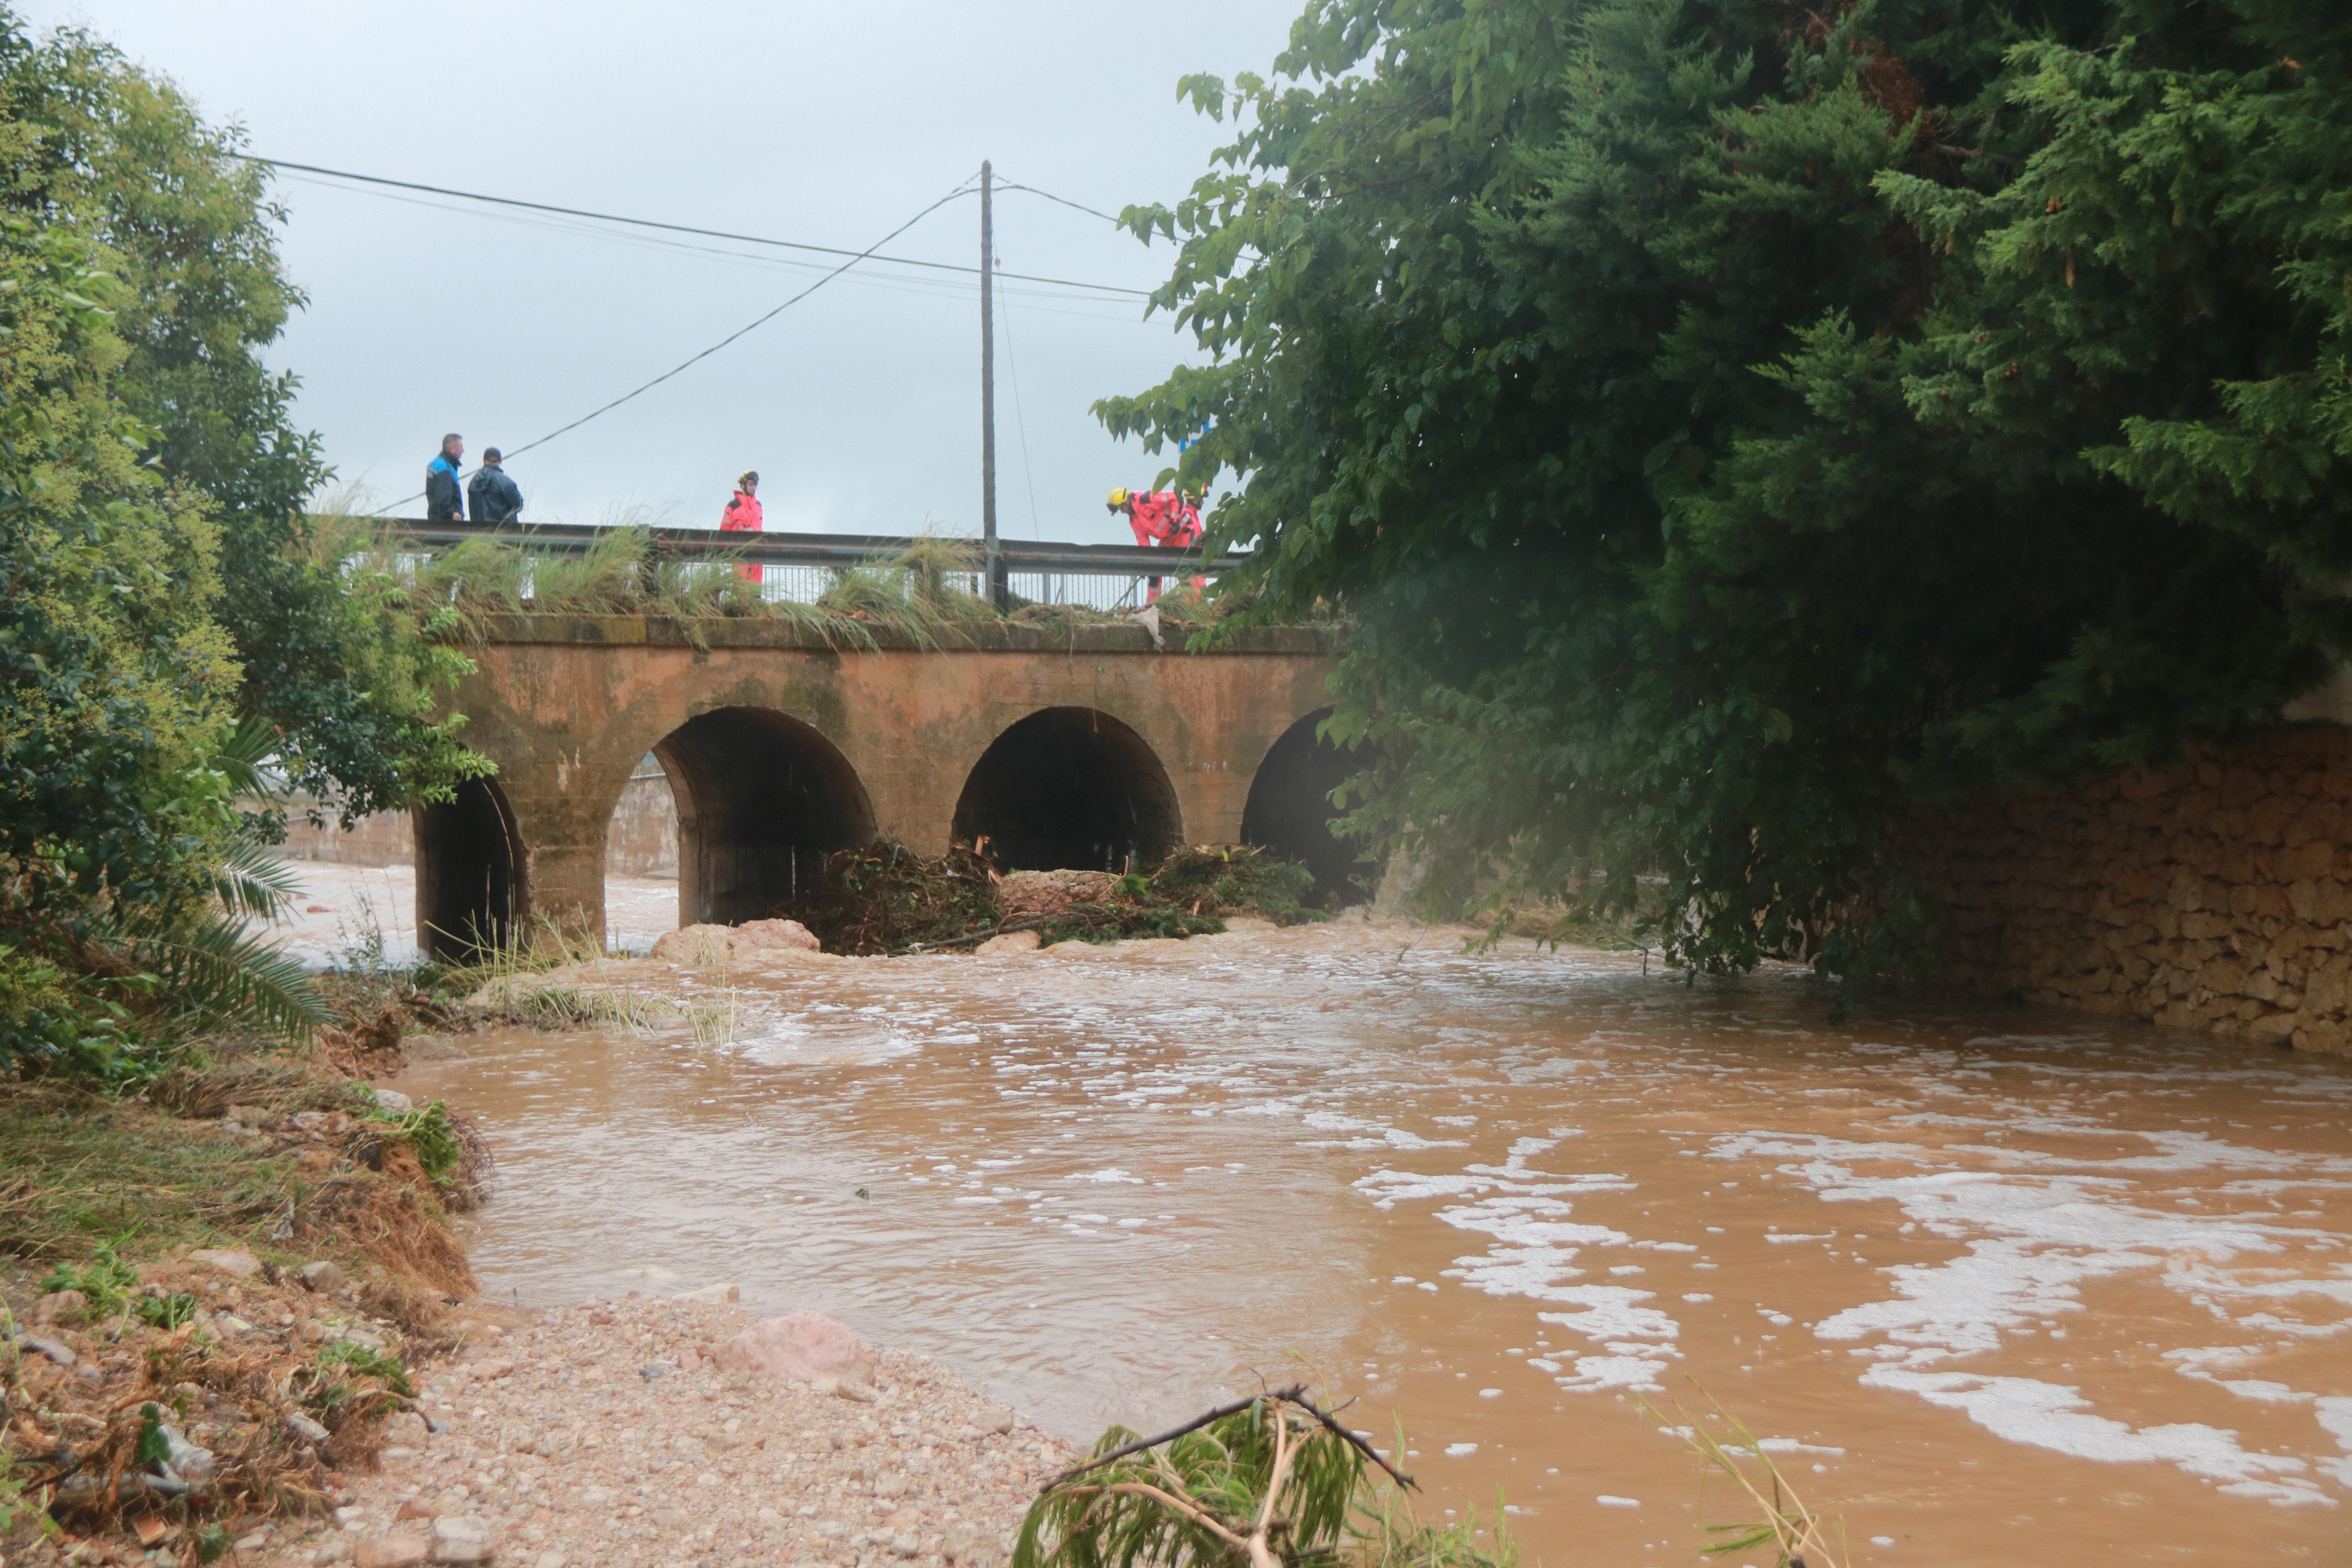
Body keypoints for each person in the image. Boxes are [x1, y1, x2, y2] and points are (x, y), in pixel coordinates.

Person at [720, 470, 763, 584]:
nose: (754, 488)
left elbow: (760, 528)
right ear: (743, 486)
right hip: (739, 551)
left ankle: (755, 600)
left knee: (755, 587)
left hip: (756, 551)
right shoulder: (733, 506)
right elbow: (725, 529)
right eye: (751, 485)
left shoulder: (758, 506)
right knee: (740, 585)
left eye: (755, 485)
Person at [466, 447, 524, 524]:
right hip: (503, 530)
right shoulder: (505, 481)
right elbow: (518, 505)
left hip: (479, 531)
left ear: (484, 460)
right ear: (500, 461)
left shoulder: (474, 482)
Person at [426, 433, 465, 521]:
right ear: (452, 449)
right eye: (461, 447)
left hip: (434, 516)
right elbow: (444, 495)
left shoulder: (435, 464)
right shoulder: (445, 468)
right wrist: (452, 514)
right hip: (448, 520)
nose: (463, 450)